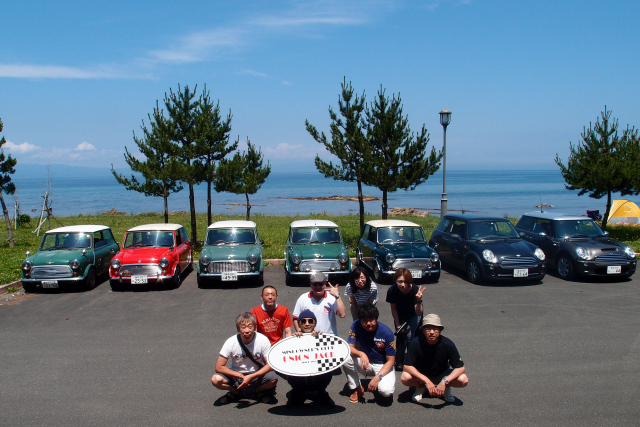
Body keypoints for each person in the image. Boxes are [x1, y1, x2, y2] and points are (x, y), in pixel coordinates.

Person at [211, 312, 278, 404]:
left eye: (250, 327)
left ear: (255, 327)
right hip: (236, 374)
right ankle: (235, 391)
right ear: (238, 329)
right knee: (215, 380)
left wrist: (251, 376)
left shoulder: (263, 340)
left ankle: (258, 390)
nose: (247, 330)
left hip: (255, 373)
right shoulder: (230, 342)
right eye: (243, 327)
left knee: (273, 379)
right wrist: (239, 375)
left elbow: (270, 364)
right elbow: (219, 367)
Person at [400, 314, 468, 403]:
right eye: (428, 329)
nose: (432, 332)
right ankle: (421, 387)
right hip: (422, 375)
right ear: (423, 330)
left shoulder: (448, 344)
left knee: (463, 379)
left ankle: (445, 388)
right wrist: (426, 381)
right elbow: (407, 366)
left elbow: (461, 368)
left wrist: (445, 381)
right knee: (405, 377)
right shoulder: (415, 343)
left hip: (442, 374)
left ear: (440, 330)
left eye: (435, 328)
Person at [343, 302, 396, 404]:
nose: (368, 323)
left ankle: (379, 382)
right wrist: (361, 354)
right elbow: (349, 347)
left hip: (382, 365)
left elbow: (391, 361)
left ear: (376, 319)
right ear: (360, 320)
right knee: (345, 357)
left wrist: (377, 378)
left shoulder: (386, 332)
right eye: (364, 321)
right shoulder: (356, 325)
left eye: (371, 320)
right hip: (365, 363)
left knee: (386, 392)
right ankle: (357, 388)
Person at [285, 309, 335, 408]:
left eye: (310, 321)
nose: (307, 324)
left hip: (316, 375)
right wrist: (294, 340)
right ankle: (298, 393)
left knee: (328, 369)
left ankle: (320, 393)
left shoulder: (320, 337)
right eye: (303, 321)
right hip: (300, 376)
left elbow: (331, 354)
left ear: (315, 323)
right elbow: (286, 357)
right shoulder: (293, 339)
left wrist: (321, 339)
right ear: (299, 324)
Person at [386, 268, 424, 371]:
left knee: (413, 336)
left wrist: (418, 300)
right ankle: (399, 361)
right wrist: (398, 325)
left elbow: (419, 313)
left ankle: (413, 360)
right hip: (400, 314)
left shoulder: (415, 290)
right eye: (400, 281)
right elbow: (393, 309)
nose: (402, 284)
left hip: (414, 314)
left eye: (405, 282)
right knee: (401, 335)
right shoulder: (392, 290)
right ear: (395, 280)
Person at [292, 271, 346, 335]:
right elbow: (295, 318)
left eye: (321, 284)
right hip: (309, 337)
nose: (318, 287)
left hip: (329, 337)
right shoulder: (303, 298)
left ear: (325, 284)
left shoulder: (332, 298)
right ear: (310, 284)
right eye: (315, 284)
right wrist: (301, 333)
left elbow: (342, 314)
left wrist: (337, 296)